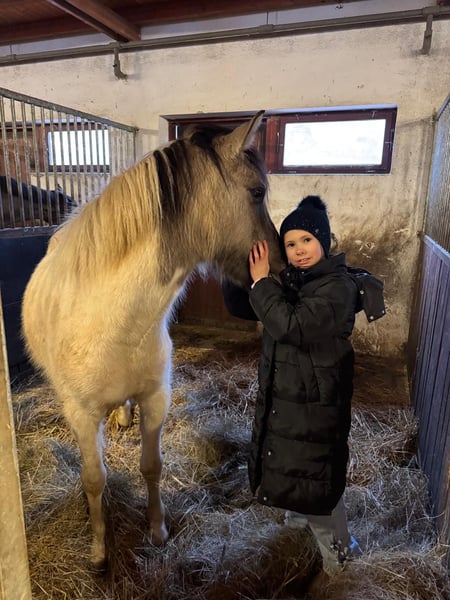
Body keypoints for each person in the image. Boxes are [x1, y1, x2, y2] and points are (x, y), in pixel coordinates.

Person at [223, 195, 385, 585]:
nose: (299, 250)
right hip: (294, 402)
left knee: (318, 489)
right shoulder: (299, 282)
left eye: (307, 241)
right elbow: (246, 307)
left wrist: (262, 282)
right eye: (291, 243)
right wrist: (231, 259)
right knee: (299, 476)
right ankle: (298, 540)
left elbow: (291, 325)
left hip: (316, 408)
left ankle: (342, 566)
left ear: (324, 241)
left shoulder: (337, 288)